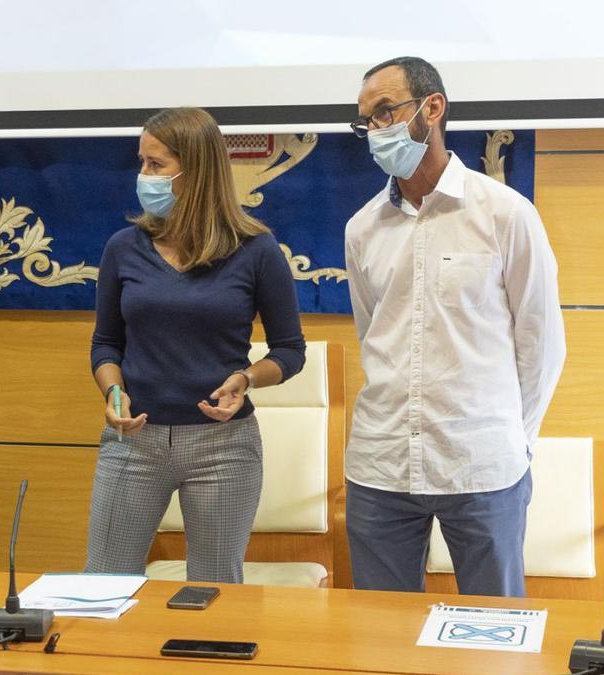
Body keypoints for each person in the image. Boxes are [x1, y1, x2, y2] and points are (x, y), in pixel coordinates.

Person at [343, 56, 566, 597]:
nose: (374, 131)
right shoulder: (362, 228)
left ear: (432, 108)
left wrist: (514, 439)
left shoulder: (506, 214)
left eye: (384, 112)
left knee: (493, 637)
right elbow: (374, 335)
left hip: (481, 466)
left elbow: (541, 346)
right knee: (382, 640)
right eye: (365, 120)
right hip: (381, 466)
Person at [86, 107, 307, 584]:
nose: (143, 176)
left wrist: (246, 380)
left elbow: (290, 351)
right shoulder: (123, 247)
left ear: (197, 171)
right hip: (133, 442)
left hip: (223, 448)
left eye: (156, 165)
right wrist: (112, 393)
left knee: (214, 591)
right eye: (141, 163)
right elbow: (105, 344)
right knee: (104, 583)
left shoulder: (257, 250)